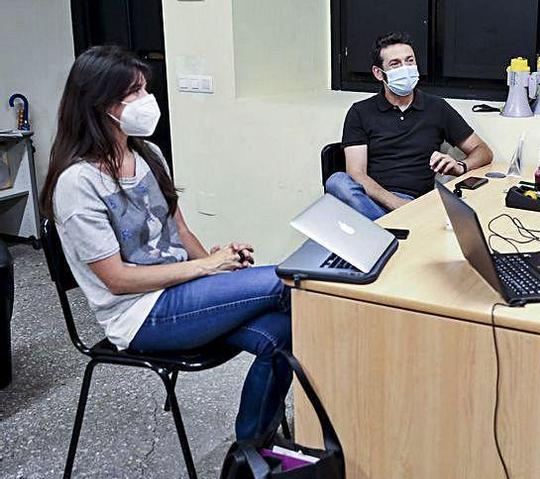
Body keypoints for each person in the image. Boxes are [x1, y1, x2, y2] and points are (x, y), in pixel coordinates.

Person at [40, 45, 292, 441]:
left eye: (145, 89)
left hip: (182, 291)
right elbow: (118, 280)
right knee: (287, 282)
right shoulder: (78, 183)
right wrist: (208, 268)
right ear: (99, 104)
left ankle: (251, 450)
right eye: (134, 93)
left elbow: (179, 232)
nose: (146, 101)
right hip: (138, 314)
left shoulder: (149, 154)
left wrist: (216, 259)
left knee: (284, 330)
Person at [326, 32, 493, 220]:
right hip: (370, 199)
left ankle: (380, 233)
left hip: (416, 200)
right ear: (378, 73)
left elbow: (483, 151)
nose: (405, 68)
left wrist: (460, 166)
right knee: (337, 181)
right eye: (395, 64)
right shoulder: (360, 112)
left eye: (409, 61)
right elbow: (357, 174)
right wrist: (399, 206)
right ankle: (390, 230)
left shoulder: (437, 108)